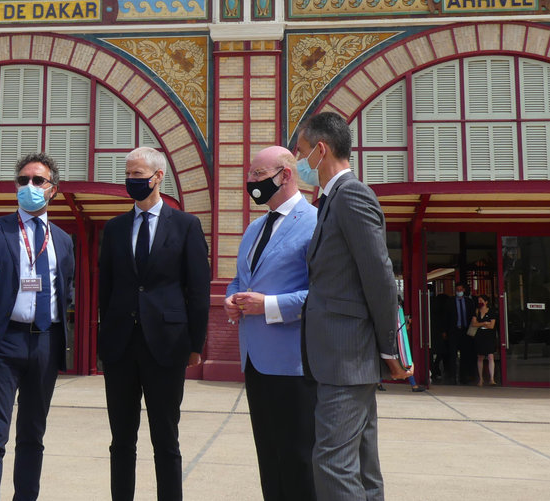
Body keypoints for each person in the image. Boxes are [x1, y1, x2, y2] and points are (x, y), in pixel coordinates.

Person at [295, 111, 411, 501]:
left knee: (331, 463)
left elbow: (379, 275)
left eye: (301, 152)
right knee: (361, 466)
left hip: (348, 356)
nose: (298, 162)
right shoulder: (331, 200)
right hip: (341, 356)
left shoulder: (352, 195)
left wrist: (388, 347)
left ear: (320, 150)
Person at [98, 146, 210, 501]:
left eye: (137, 174)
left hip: (167, 345)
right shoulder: (114, 228)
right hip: (120, 347)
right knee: (121, 440)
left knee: (165, 438)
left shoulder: (186, 225)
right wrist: (103, 340)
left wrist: (196, 344)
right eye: (128, 174)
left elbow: (198, 289)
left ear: (158, 176)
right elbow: (106, 289)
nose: (131, 180)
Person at [0, 152, 76, 501]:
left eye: (37, 181)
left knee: (33, 435)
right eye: (22, 181)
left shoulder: (62, 240)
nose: (29, 186)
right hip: (4, 341)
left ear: (53, 190)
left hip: (46, 342)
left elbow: (68, 288)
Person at [222, 146, 317, 501]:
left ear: (286, 175)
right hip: (255, 361)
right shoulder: (254, 228)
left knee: (298, 458)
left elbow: (321, 295)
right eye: (250, 175)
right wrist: (233, 300)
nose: (251, 182)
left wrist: (269, 306)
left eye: (258, 176)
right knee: (269, 457)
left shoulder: (314, 223)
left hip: (294, 364)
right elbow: (240, 281)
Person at [446, 283, 476, 384]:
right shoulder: (450, 302)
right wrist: (445, 331)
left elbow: (472, 315)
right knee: (452, 354)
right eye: (457, 290)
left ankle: (464, 377)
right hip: (454, 331)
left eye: (460, 289)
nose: (459, 291)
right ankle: (452, 377)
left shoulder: (469, 302)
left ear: (463, 290)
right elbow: (446, 316)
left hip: (465, 331)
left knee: (465, 354)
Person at [471, 294, 498, 385]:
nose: (480, 302)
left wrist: (482, 323)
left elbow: (491, 325)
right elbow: (474, 324)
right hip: (479, 335)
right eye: (479, 301)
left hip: (489, 336)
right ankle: (481, 379)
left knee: (490, 356)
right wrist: (484, 323)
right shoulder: (476, 311)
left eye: (481, 301)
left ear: (486, 302)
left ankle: (492, 378)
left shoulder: (491, 312)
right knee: (480, 357)